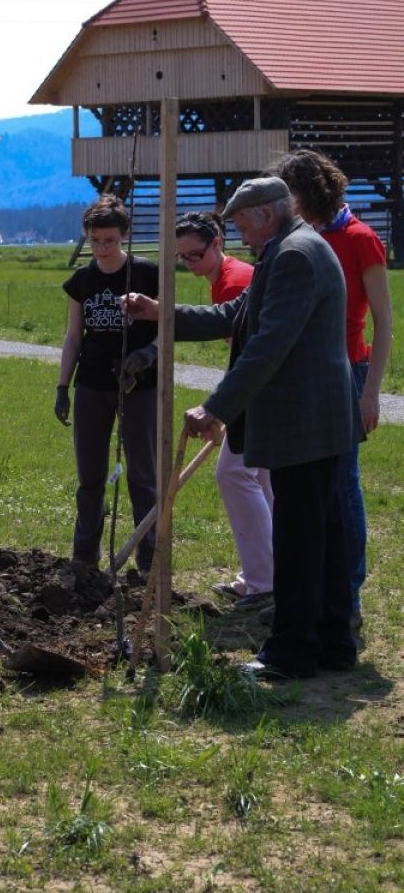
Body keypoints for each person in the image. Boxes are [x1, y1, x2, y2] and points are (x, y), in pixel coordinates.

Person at [124, 177, 363, 680]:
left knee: (300, 538)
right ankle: (334, 643)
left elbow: (268, 345)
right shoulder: (290, 250)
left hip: (304, 421)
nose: (240, 239)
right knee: (323, 532)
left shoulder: (294, 255)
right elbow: (237, 314)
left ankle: (293, 651)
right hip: (315, 420)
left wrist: (216, 407)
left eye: (241, 226)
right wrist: (160, 313)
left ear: (267, 216)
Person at [267, 150, 392, 631]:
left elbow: (383, 324)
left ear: (306, 194)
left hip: (347, 375)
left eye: (288, 194)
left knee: (342, 486)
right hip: (301, 379)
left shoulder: (360, 239)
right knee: (307, 489)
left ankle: (349, 595)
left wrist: (371, 392)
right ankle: (312, 592)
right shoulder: (294, 240)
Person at [54, 194, 159, 574]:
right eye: (96, 240)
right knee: (90, 476)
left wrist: (151, 352)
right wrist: (63, 386)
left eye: (110, 240)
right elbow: (73, 336)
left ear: (124, 238)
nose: (102, 248)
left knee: (143, 475)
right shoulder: (82, 280)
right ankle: (85, 556)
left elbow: (169, 323)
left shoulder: (148, 274)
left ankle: (149, 558)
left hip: (139, 385)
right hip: (93, 384)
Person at [174, 212, 273, 608]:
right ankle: (265, 576)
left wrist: (222, 410)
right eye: (183, 258)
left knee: (234, 475)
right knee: (264, 480)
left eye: (195, 254)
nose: (190, 264)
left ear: (218, 244)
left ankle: (262, 583)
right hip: (259, 395)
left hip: (261, 395)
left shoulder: (235, 281)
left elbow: (249, 359)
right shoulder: (223, 279)